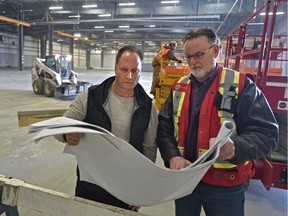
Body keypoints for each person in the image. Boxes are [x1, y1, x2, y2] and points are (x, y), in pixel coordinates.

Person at [156, 27, 279, 216]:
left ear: (215, 51)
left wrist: (236, 147)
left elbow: (268, 135)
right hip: (185, 180)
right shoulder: (180, 86)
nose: (192, 62)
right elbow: (163, 127)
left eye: (198, 55)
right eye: (188, 57)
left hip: (224, 186)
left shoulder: (241, 85)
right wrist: (172, 156)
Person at [55, 45, 158, 212]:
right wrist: (66, 135)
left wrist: (141, 188)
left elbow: (149, 148)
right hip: (91, 183)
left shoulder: (148, 106)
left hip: (126, 187)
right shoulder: (91, 97)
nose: (129, 76)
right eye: (124, 69)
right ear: (115, 68)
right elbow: (61, 127)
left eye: (135, 70)